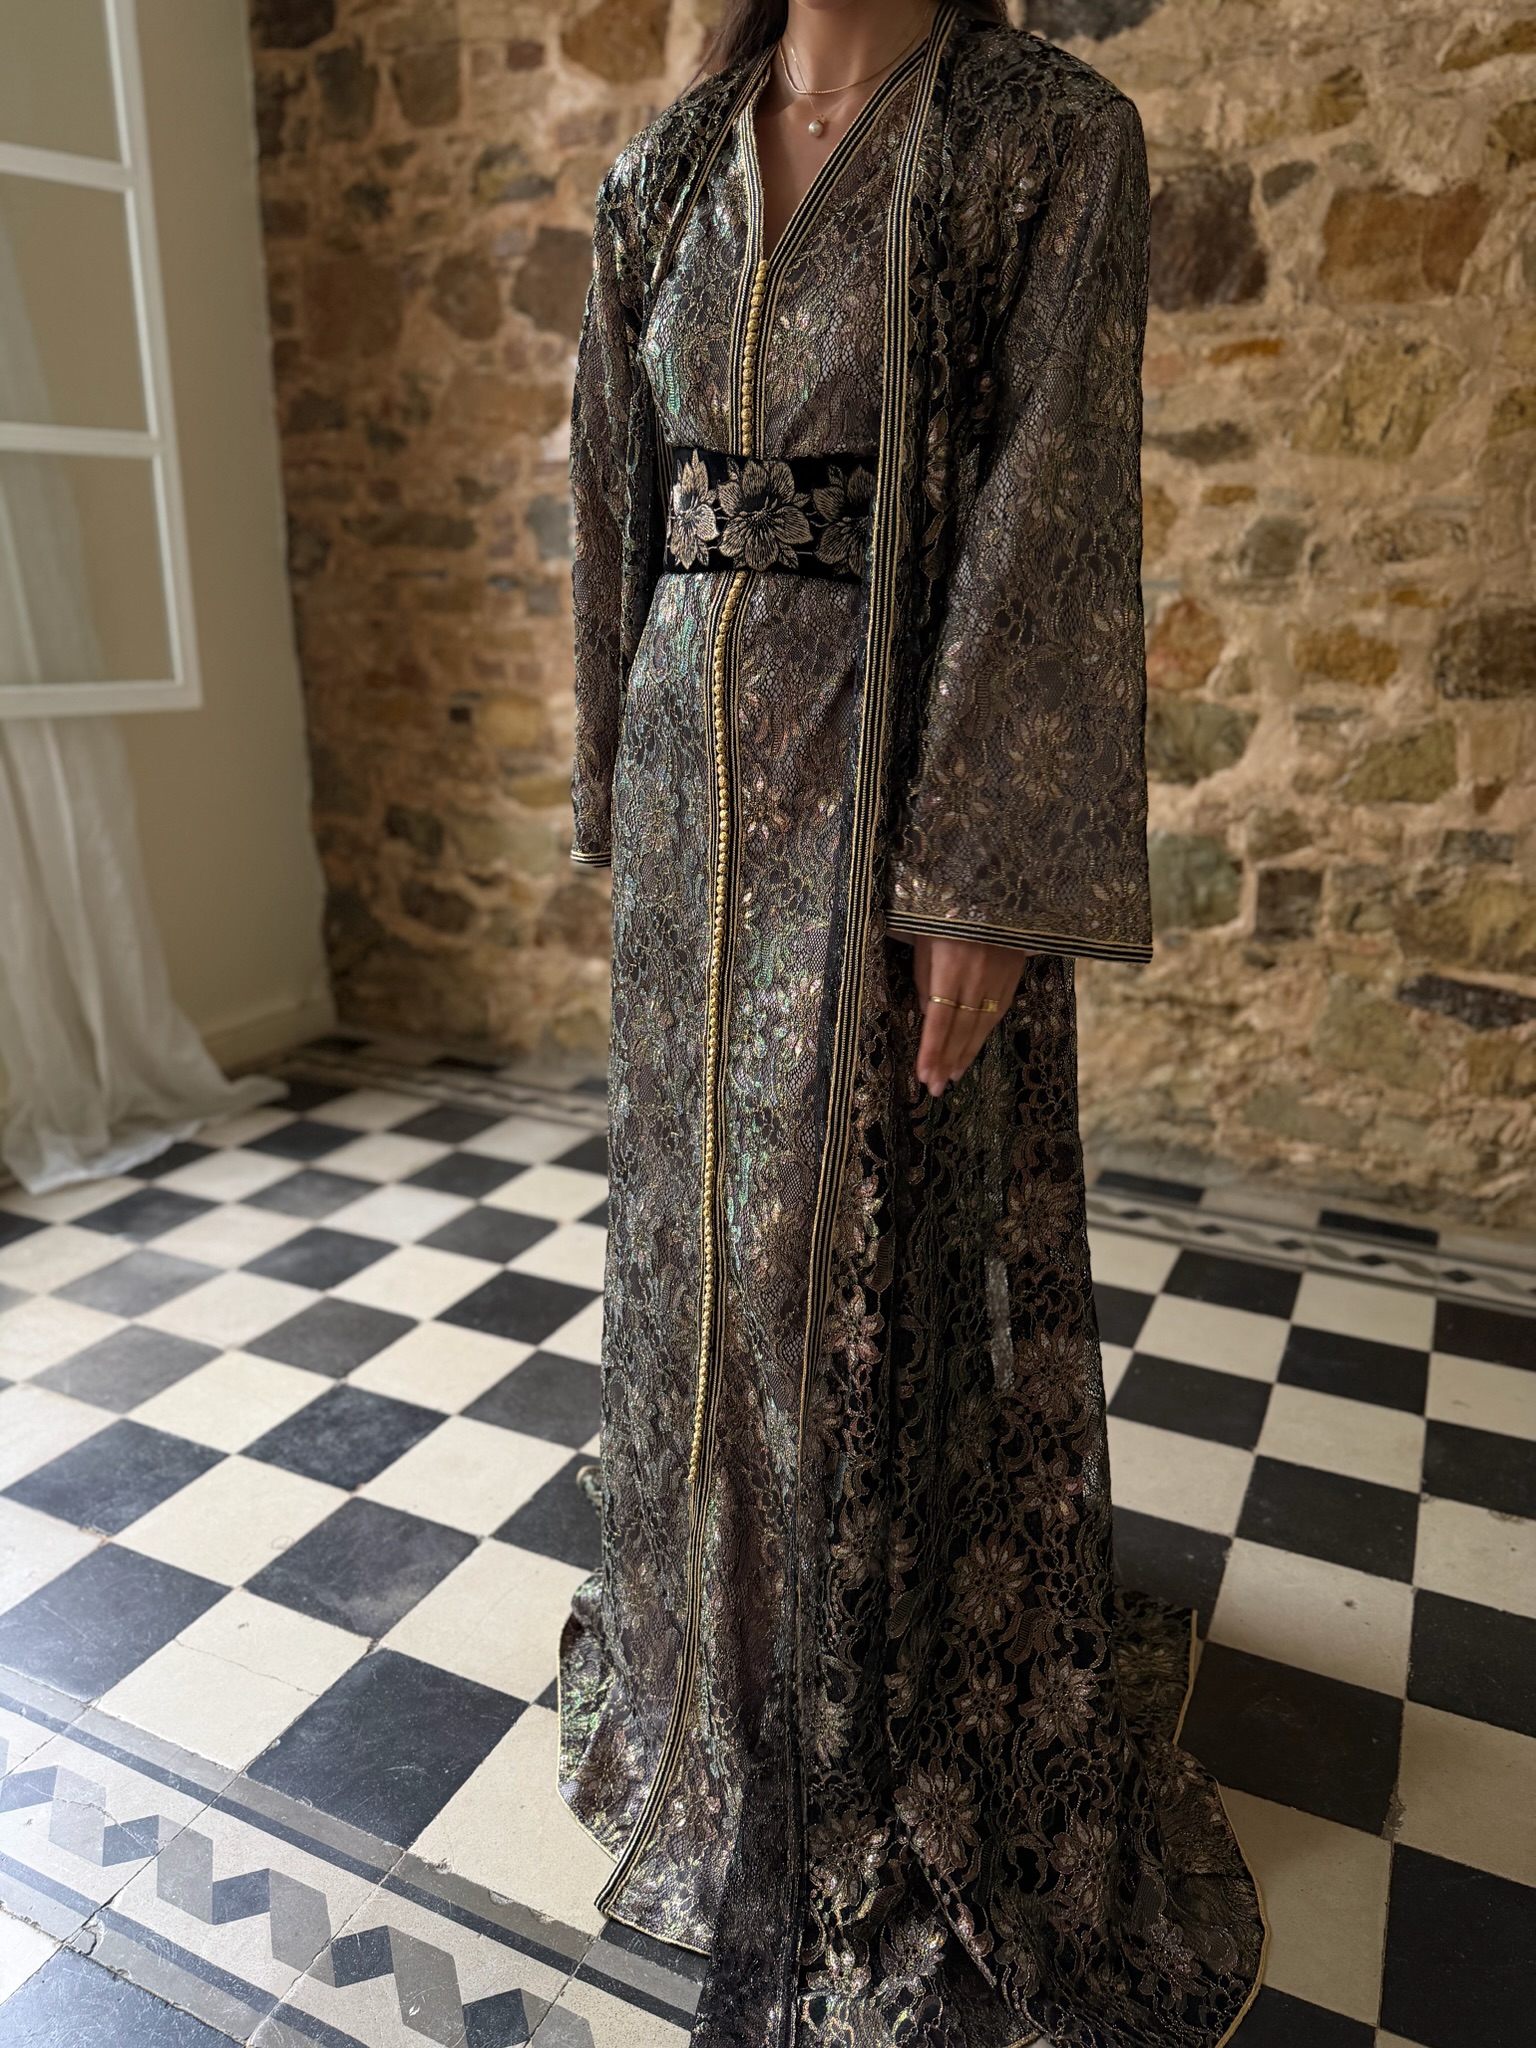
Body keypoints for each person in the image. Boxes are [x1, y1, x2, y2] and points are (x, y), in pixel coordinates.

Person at [557, 4, 1267, 2043]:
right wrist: (614, 772)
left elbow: (1048, 510)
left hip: (886, 808)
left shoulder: (1047, 143)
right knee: (704, 1246)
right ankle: (721, 1672)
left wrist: (978, 878)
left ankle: (868, 1723)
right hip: (696, 788)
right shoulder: (667, 171)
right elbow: (613, 477)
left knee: (844, 1258)